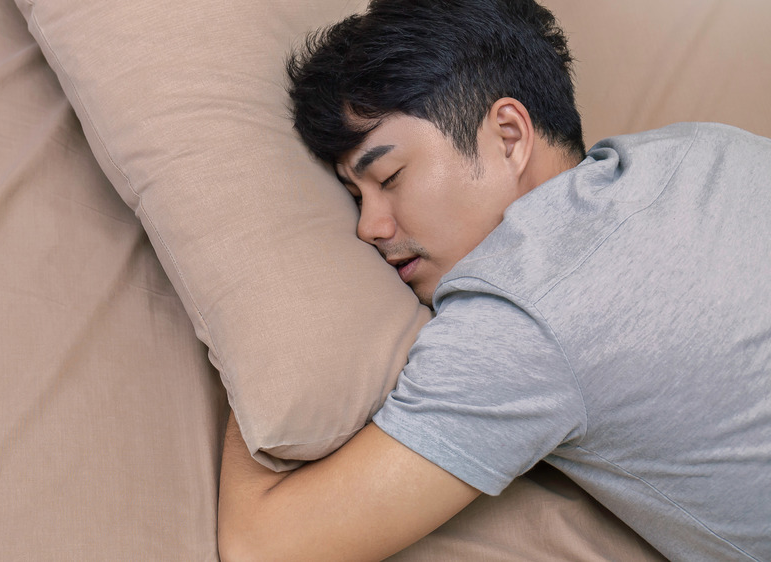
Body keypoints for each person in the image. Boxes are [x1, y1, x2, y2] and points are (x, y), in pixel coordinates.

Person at [217, 0, 771, 560]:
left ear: (508, 134)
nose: (369, 227)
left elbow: (261, 546)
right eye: (356, 198)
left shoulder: (523, 318)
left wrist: (256, 326)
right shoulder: (706, 148)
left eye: (390, 176)